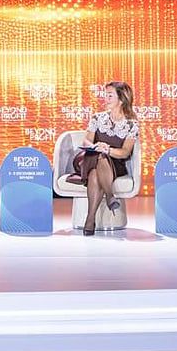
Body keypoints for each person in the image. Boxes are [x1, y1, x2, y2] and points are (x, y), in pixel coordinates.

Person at [70, 81, 139, 236]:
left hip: (115, 163)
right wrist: (96, 146)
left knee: (95, 173)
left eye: (110, 95)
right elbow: (86, 141)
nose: (105, 98)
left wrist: (108, 150)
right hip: (90, 158)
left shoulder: (131, 124)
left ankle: (90, 218)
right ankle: (110, 196)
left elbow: (125, 152)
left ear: (121, 99)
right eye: (105, 95)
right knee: (100, 157)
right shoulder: (97, 118)